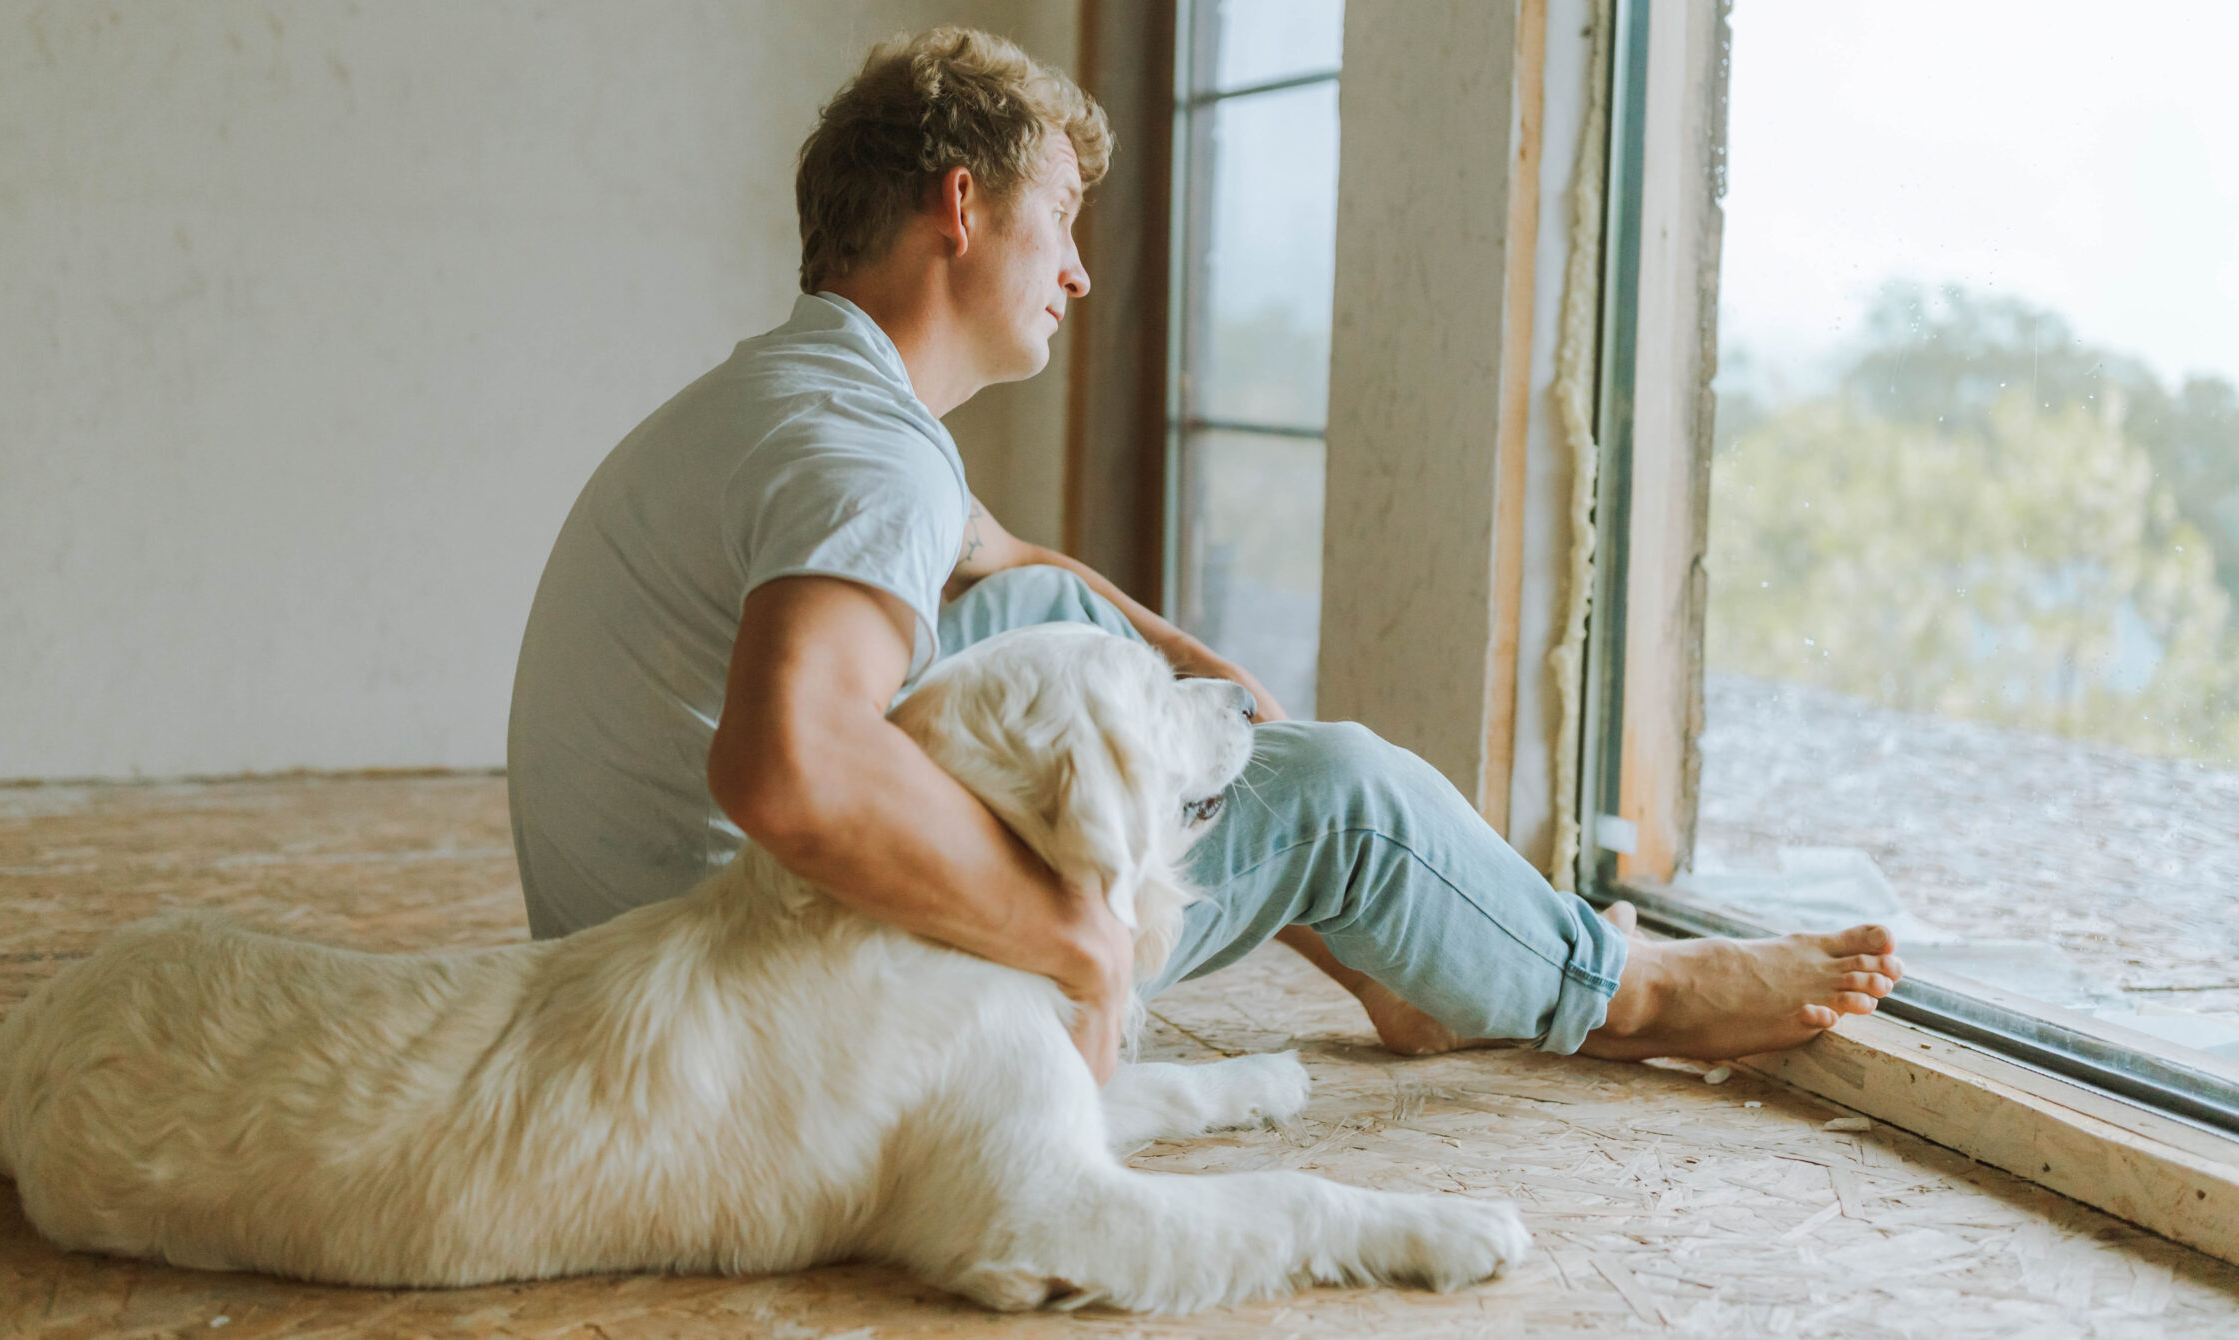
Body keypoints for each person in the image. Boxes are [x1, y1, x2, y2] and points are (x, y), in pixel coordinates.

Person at [506, 26, 1903, 1084]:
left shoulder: (803, 397)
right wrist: (1075, 942)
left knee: (1045, 612)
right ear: (958, 208)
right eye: (1057, 219)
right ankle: (1637, 992)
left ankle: (1406, 959)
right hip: (757, 1019)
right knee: (1349, 797)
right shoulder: (865, 461)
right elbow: (787, 766)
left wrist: (1190, 677)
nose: (1080, 271)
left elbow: (1003, 562)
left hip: (648, 959)